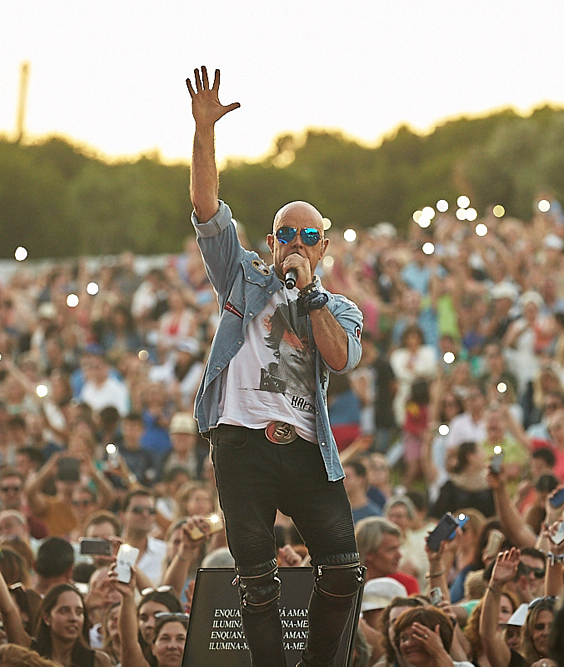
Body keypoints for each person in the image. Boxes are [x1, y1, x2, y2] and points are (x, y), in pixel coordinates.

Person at [186, 67, 365, 667]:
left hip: (307, 448)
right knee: (257, 580)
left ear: (322, 247)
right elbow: (207, 210)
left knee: (343, 568)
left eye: (308, 234)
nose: (295, 241)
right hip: (242, 440)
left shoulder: (338, 307)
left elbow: (341, 357)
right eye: (285, 233)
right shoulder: (243, 276)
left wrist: (309, 295)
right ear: (271, 242)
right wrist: (204, 132)